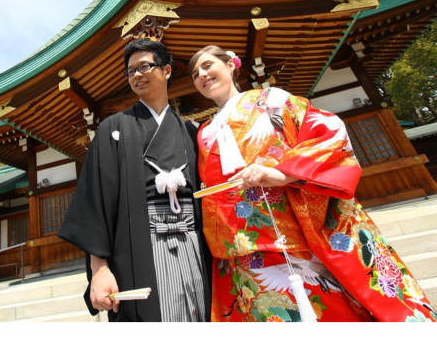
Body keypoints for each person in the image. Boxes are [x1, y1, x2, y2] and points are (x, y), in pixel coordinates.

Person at [187, 45, 437, 322]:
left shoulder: (271, 99)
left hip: (296, 230)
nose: (202, 75)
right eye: (195, 73)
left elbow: (329, 132)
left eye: (208, 65)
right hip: (242, 243)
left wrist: (284, 173)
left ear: (232, 65)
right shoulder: (204, 130)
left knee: (329, 310)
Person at [58, 38, 211, 322]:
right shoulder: (112, 129)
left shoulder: (192, 133)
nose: (137, 75)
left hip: (194, 244)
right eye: (130, 71)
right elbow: (96, 203)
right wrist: (99, 269)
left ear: (166, 70)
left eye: (144, 66)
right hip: (140, 246)